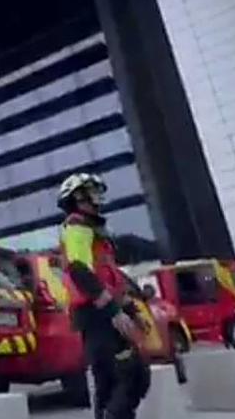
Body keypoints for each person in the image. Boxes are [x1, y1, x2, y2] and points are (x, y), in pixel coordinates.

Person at [58, 172, 150, 419]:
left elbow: (109, 276)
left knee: (132, 377)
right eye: (92, 192)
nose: (98, 197)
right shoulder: (77, 225)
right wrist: (112, 310)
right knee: (120, 377)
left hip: (107, 310)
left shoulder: (96, 233)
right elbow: (79, 269)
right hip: (95, 315)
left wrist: (128, 307)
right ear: (78, 197)